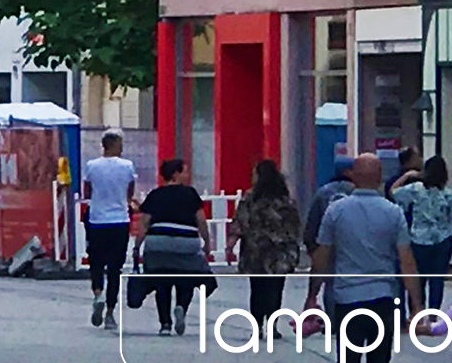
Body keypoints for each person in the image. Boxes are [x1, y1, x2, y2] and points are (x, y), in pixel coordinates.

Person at [311, 153, 422, 363]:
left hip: (347, 300)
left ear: (353, 176)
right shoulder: (393, 212)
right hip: (383, 300)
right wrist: (416, 305)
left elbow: (322, 256)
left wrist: (312, 294)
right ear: (380, 177)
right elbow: (407, 261)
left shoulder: (336, 211)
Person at [132, 158, 213, 337]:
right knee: (187, 278)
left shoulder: (155, 195)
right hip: (186, 243)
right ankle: (181, 307)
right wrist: (207, 244)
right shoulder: (190, 194)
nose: (187, 175)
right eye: (184, 171)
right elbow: (201, 221)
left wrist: (137, 247)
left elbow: (144, 224)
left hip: (158, 243)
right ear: (175, 174)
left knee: (162, 283)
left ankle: (165, 325)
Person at [226, 159, 302, 332]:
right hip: (280, 252)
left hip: (256, 250)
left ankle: (258, 324)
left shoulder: (251, 199)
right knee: (276, 288)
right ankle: (273, 324)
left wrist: (231, 244)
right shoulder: (285, 201)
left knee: (257, 288)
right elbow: (295, 226)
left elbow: (241, 223)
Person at [80, 130, 137, 331]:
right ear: (115, 145)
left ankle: (98, 294)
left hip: (97, 220)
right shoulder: (127, 166)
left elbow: (87, 191)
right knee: (115, 268)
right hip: (119, 220)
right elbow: (130, 192)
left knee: (96, 262)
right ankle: (110, 313)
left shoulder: (92, 166)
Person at [391, 156, 452, 310]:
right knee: (437, 280)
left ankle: (417, 311)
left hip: (418, 239)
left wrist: (407, 175)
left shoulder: (415, 189)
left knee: (417, 279)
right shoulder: (448, 194)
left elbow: (393, 192)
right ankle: (434, 314)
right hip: (442, 240)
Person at [302, 161, 356, 319]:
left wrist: (312, 245)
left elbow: (313, 221)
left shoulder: (323, 192)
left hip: (328, 244)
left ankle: (333, 318)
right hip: (353, 244)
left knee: (331, 282)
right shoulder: (357, 192)